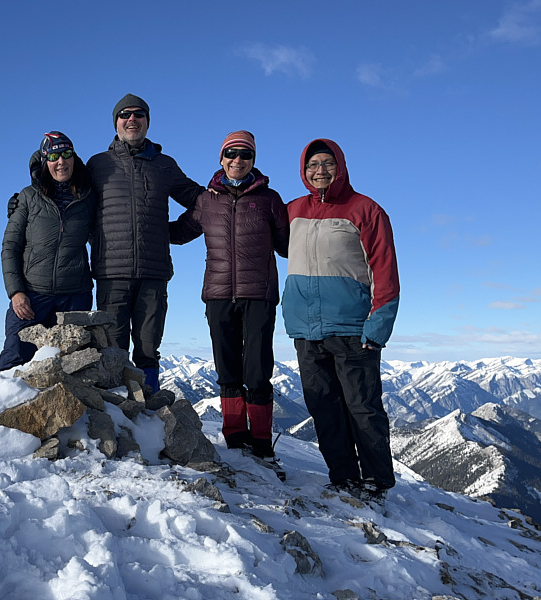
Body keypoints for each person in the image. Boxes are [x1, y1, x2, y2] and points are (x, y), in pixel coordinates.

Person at [282, 138, 400, 499]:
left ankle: (376, 479)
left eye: (327, 163)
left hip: (353, 328)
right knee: (324, 407)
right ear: (303, 170)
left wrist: (378, 326)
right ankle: (343, 476)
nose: (320, 170)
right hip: (306, 329)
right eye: (313, 165)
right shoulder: (292, 211)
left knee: (362, 407)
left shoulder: (366, 210)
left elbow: (385, 271)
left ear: (341, 167)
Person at [170, 131, 289, 459]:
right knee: (227, 370)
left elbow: (287, 245)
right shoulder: (207, 201)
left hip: (259, 295)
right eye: (232, 153)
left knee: (258, 371)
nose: (238, 160)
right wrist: (142, 225)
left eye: (245, 155)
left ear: (253, 160)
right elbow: (179, 232)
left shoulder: (270, 199)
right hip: (219, 295)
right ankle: (235, 439)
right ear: (221, 159)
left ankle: (261, 443)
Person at [86, 93, 203, 394]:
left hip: (154, 271)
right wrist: (30, 198)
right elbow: (71, 199)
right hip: (112, 271)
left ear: (147, 122)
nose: (132, 119)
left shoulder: (164, 165)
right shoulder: (98, 165)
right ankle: (116, 409)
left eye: (138, 114)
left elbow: (201, 201)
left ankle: (148, 408)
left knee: (149, 347)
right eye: (124, 114)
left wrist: (175, 232)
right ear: (115, 122)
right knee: (113, 347)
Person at [0, 131, 95, 371]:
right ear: (44, 161)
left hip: (75, 296)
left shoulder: (89, 198)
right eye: (53, 156)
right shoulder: (28, 197)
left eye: (66, 154)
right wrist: (16, 292)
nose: (61, 161)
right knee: (14, 363)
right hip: (32, 295)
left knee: (71, 368)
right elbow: (10, 247)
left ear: (74, 158)